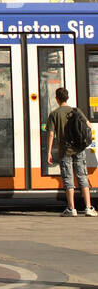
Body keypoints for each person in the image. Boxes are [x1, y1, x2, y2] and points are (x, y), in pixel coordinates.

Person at [46, 86, 96, 217]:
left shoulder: (54, 114)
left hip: (65, 151)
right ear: (67, 97)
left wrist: (49, 152)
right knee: (82, 177)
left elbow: (51, 134)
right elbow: (89, 126)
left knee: (68, 179)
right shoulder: (76, 111)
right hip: (79, 149)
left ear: (57, 99)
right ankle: (88, 208)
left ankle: (71, 209)